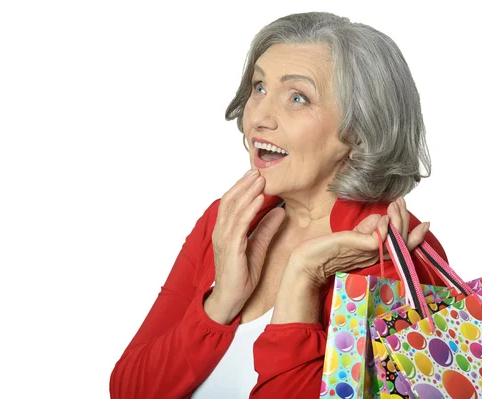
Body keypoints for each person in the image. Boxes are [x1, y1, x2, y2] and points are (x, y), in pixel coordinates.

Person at [110, 11, 449, 399]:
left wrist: (303, 280)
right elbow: (128, 390)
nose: (259, 118)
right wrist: (220, 303)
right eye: (259, 87)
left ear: (358, 130)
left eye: (297, 97)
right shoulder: (230, 221)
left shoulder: (391, 250)